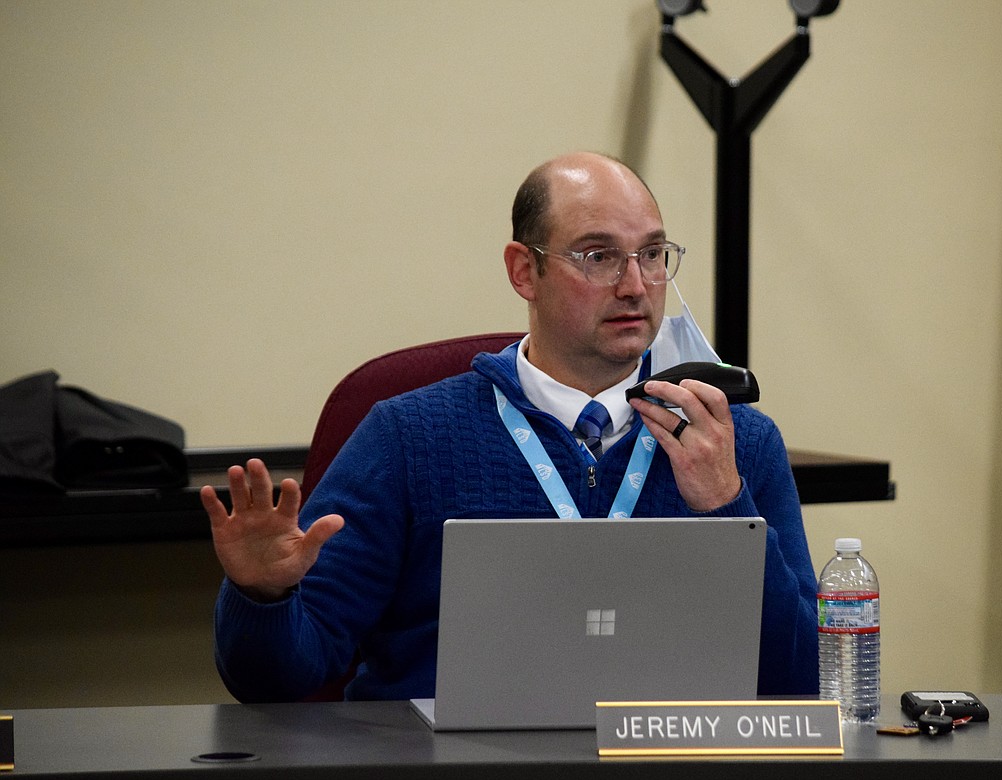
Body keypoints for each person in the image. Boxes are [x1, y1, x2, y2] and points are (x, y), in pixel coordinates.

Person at [202, 151, 819, 703]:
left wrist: (725, 507)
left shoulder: (737, 440)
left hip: (662, 763)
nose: (636, 285)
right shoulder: (408, 436)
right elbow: (281, 681)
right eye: (598, 256)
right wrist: (263, 598)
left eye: (653, 255)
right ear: (524, 271)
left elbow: (802, 682)